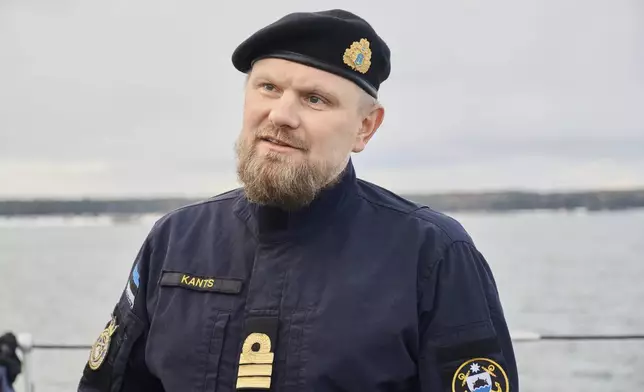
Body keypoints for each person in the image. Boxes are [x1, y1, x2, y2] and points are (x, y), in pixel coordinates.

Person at [78, 9, 518, 392]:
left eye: (315, 99)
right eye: (268, 88)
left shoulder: (432, 255)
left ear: (366, 128)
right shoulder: (176, 241)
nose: (281, 115)